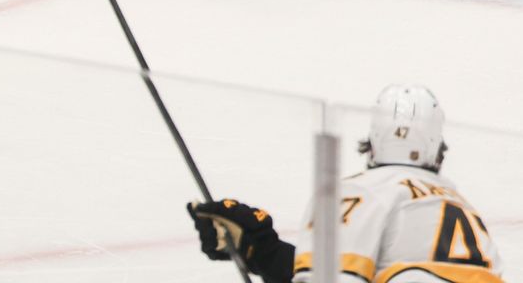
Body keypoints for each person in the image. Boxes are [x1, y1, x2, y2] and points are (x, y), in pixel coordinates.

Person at [187, 84, 504, 283]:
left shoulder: (361, 192)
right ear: (437, 146)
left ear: (373, 141)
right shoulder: (458, 206)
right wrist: (265, 252)